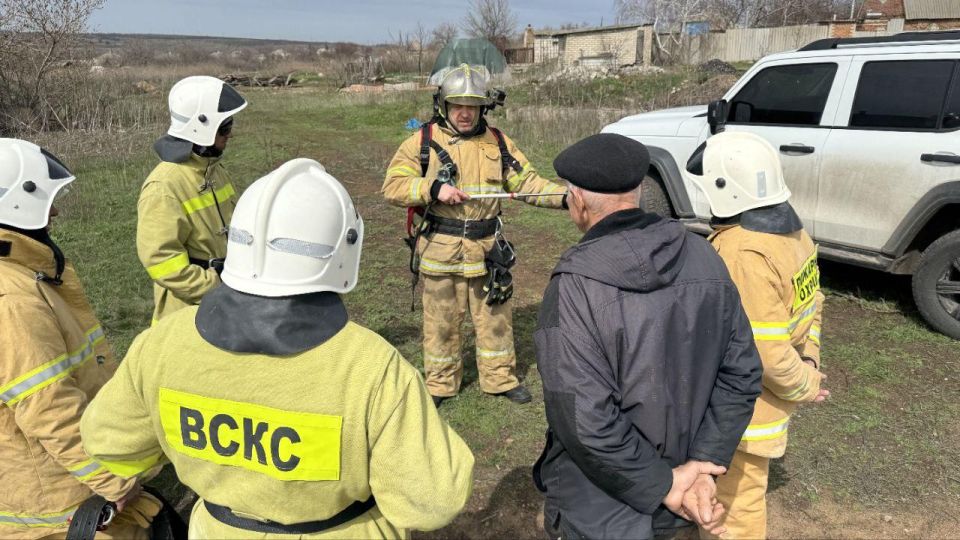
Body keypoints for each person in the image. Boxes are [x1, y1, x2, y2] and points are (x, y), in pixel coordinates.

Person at [81, 158, 475, 538]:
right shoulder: (372, 366)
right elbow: (432, 502)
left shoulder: (161, 344)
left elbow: (110, 446)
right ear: (345, 250)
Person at [532, 133, 764, 539]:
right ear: (638, 191)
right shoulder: (705, 254)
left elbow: (583, 418)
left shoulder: (574, 287)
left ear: (578, 202)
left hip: (603, 506)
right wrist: (702, 466)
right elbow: (741, 374)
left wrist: (666, 483)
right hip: (684, 503)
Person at [382, 63, 568, 406]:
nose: (465, 114)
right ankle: (440, 385)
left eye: (472, 106)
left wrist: (566, 198)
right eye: (457, 106)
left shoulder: (498, 142)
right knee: (441, 322)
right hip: (441, 250)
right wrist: (432, 188)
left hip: (487, 250)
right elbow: (392, 186)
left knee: (495, 317)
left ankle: (499, 379)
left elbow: (527, 183)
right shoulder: (422, 142)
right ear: (444, 105)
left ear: (483, 108)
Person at [0, 138, 154, 539]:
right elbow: (46, 407)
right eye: (47, 201)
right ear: (17, 204)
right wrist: (113, 481)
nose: (54, 211)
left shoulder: (21, 275)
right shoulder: (13, 300)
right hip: (56, 500)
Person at [686, 131, 828, 539]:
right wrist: (811, 360)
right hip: (768, 401)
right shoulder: (794, 234)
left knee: (733, 510)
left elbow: (763, 353)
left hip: (742, 417)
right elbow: (813, 303)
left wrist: (806, 385)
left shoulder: (742, 253)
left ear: (724, 189)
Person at [137, 75, 247, 325]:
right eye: (225, 127)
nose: (230, 134)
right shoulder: (164, 186)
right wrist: (215, 285)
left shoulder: (213, 170)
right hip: (189, 311)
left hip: (228, 298)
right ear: (202, 127)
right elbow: (161, 260)